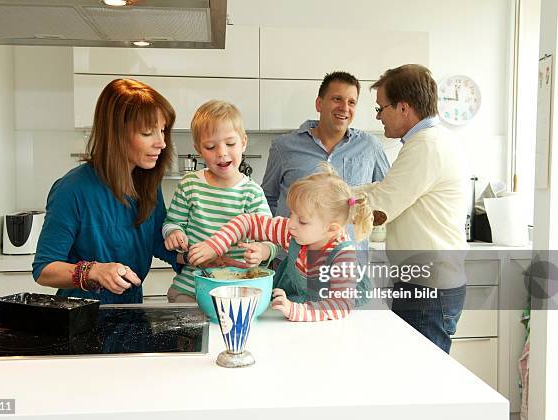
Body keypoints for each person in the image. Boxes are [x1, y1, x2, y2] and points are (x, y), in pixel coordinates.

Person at [32, 78, 183, 304]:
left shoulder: (147, 184)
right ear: (117, 133)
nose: (161, 143)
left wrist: (199, 255)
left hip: (130, 313)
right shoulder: (72, 189)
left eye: (162, 131)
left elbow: (158, 242)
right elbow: (44, 269)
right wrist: (93, 271)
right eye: (147, 133)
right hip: (82, 315)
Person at [362, 64, 468, 353]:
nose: (379, 116)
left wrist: (323, 207)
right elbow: (385, 190)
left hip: (428, 290)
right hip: (428, 285)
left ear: (404, 108)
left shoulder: (426, 146)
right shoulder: (429, 141)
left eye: (381, 108)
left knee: (423, 382)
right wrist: (343, 192)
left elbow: (381, 208)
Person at [188, 163, 373, 321]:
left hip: (329, 319)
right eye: (291, 213)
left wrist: (295, 311)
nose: (290, 224)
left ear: (331, 229)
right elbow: (247, 222)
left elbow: (340, 305)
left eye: (302, 220)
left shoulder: (343, 255)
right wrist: (215, 245)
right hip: (293, 308)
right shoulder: (292, 231)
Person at [261, 71, 390, 266]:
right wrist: (270, 245)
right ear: (319, 104)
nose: (344, 108)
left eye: (351, 102)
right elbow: (267, 200)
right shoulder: (284, 146)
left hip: (347, 263)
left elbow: (386, 195)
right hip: (290, 262)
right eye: (337, 99)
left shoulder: (371, 147)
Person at [162, 100, 277, 303]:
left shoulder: (252, 193)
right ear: (198, 149)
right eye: (210, 146)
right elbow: (172, 223)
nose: (222, 152)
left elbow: (271, 239)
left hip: (236, 291)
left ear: (243, 142)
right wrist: (174, 233)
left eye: (230, 144)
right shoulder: (190, 185)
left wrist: (263, 251)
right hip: (191, 288)